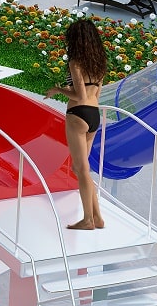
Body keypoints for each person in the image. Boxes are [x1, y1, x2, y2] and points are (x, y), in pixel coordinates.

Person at [45, 19, 109, 230]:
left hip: (78, 114)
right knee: (81, 168)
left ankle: (88, 220)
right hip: (94, 115)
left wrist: (58, 90)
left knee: (81, 169)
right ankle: (97, 217)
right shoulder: (100, 63)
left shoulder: (76, 63)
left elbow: (79, 95)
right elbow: (95, 95)